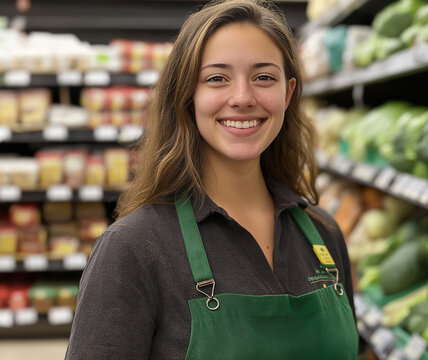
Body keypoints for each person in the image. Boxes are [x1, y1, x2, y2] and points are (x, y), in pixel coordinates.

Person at [65, 0, 359, 358]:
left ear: (288, 92)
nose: (242, 98)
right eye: (217, 78)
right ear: (187, 96)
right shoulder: (133, 249)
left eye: (263, 77)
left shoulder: (323, 234)